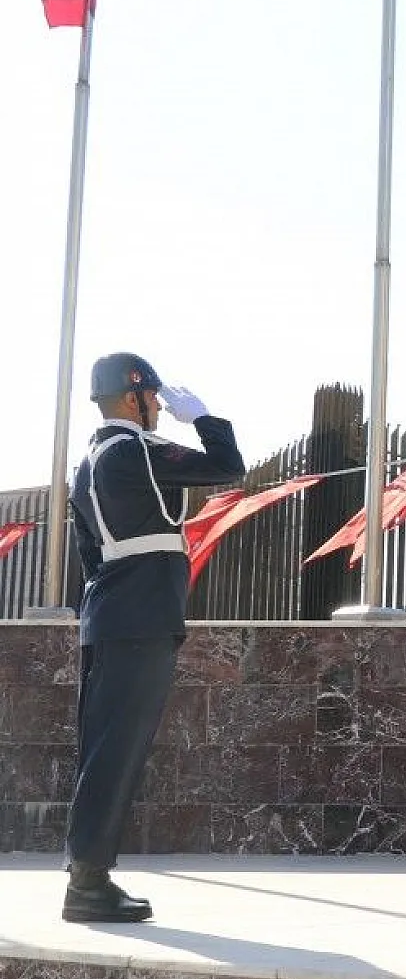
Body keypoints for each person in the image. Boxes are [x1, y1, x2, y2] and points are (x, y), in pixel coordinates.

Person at [64, 353, 245, 923]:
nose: (161, 410)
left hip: (112, 610)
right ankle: (88, 885)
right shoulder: (133, 450)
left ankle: (86, 876)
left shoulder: (90, 462)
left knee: (102, 749)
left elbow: (89, 554)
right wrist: (207, 420)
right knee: (117, 751)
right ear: (131, 397)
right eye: (155, 400)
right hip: (140, 617)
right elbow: (228, 466)